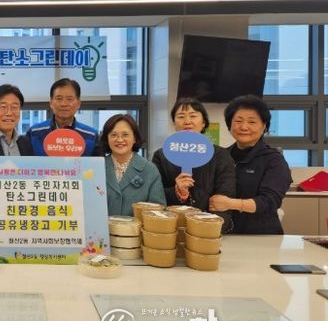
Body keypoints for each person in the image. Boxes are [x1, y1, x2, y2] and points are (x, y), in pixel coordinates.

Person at [209, 95, 292, 234]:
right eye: (238, 121)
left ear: (264, 126)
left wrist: (230, 204)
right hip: (223, 234)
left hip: (260, 236)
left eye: (252, 122)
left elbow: (270, 201)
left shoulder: (274, 160)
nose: (244, 127)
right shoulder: (221, 156)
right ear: (230, 125)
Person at [152, 98, 236, 232]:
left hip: (208, 230)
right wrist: (177, 192)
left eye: (193, 116)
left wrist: (210, 228)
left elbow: (225, 196)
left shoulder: (220, 155)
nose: (187, 121)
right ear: (174, 123)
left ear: (203, 123)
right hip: (172, 228)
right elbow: (155, 195)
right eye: (181, 116)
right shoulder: (161, 156)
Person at [97, 114, 165, 216]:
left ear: (134, 138)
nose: (119, 140)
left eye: (125, 135)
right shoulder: (97, 168)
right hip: (101, 226)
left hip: (138, 227)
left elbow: (158, 209)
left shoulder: (149, 170)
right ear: (107, 139)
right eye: (113, 135)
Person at [26, 78, 98, 156]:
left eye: (69, 99)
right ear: (51, 103)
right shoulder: (34, 132)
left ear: (78, 103)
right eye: (59, 99)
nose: (64, 104)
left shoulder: (91, 135)